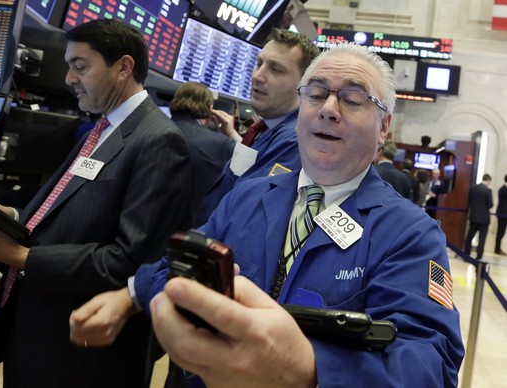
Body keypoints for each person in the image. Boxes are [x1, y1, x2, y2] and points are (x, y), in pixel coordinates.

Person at [69, 42, 464, 387]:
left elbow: (431, 365)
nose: (328, 109)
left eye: (353, 99)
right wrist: (130, 295)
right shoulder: (251, 194)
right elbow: (183, 264)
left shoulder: (411, 235)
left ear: (383, 128)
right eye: (316, 93)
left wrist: (308, 372)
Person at [0, 19, 192, 387]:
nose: (69, 78)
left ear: (124, 67)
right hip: (42, 325)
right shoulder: (101, 128)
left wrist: (21, 257)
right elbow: (71, 209)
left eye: (80, 65)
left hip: (81, 351)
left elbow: (131, 261)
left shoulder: (158, 141)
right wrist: (16, 217)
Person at [196, 28, 320, 225]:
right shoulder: (264, 130)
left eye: (275, 69)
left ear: (306, 86)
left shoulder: (295, 141)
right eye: (259, 64)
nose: (257, 76)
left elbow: (243, 215)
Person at [169, 81, 236, 211]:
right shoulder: (221, 144)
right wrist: (231, 133)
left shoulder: (154, 128)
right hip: (192, 228)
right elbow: (253, 165)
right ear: (210, 109)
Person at [464, 174, 494, 259]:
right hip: (484, 219)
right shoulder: (488, 191)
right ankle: (479, 257)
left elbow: (469, 201)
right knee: (482, 239)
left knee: (469, 236)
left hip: (474, 216)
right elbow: (490, 204)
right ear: (488, 180)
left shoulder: (473, 188)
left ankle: (466, 254)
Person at [496, 174, 507, 255]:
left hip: (503, 213)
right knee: (500, 232)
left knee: (501, 232)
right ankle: (497, 249)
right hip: (503, 213)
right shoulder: (504, 189)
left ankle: (498, 248)